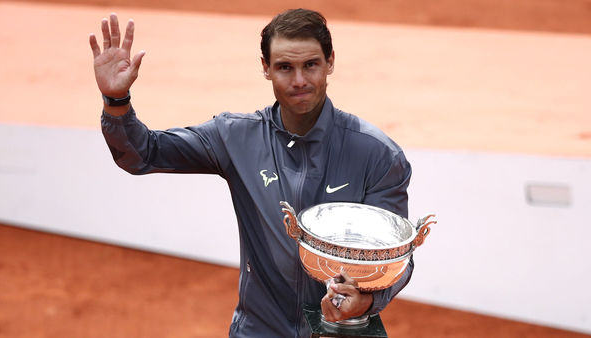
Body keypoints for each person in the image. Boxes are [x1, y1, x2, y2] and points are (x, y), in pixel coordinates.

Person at [90, 8, 413, 337]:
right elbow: (143, 154)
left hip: (345, 330)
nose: (299, 80)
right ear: (265, 69)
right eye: (285, 67)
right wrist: (117, 100)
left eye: (310, 65)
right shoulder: (234, 136)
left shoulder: (378, 155)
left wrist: (369, 300)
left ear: (330, 62)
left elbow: (398, 257)